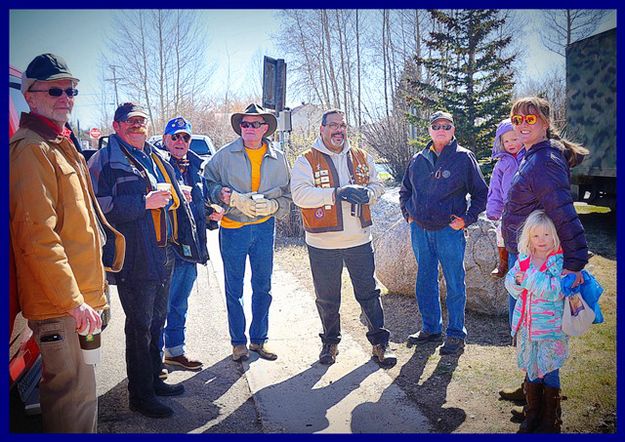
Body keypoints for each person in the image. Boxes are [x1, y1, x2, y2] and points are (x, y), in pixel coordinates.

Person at [9, 53, 124, 432]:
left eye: (71, 90)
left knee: (80, 398)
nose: (66, 97)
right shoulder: (31, 149)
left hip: (76, 301)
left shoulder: (59, 142)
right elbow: (37, 237)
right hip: (62, 306)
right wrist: (73, 302)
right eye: (55, 89)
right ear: (29, 96)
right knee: (71, 405)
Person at [88, 103, 203, 418]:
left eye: (142, 121)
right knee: (139, 327)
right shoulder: (104, 161)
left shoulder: (153, 155)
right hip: (134, 256)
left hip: (163, 251)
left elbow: (166, 193)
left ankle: (154, 380)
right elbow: (98, 208)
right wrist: (143, 202)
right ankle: (140, 395)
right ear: (117, 125)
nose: (137, 126)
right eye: (131, 121)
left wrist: (181, 193)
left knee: (156, 320)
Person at [501, 95, 589, 415]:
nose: (522, 125)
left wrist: (575, 262)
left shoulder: (544, 161)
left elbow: (563, 213)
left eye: (530, 119)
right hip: (526, 257)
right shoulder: (533, 155)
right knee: (528, 326)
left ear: (545, 123)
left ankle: (545, 414)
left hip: (540, 261)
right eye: (517, 120)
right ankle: (530, 389)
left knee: (545, 331)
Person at [291, 109, 397, 367]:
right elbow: (299, 195)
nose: (339, 130)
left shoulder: (361, 156)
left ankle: (379, 344)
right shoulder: (306, 160)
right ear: (322, 129)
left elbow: (378, 184)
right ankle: (330, 343)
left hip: (359, 240)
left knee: (369, 293)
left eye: (343, 126)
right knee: (327, 297)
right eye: (333, 126)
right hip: (322, 243)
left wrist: (369, 194)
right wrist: (336, 193)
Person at [204, 103, 291, 362]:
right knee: (234, 289)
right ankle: (238, 343)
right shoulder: (224, 155)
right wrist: (222, 194)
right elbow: (208, 182)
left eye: (255, 124)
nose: (249, 129)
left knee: (263, 286)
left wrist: (275, 206)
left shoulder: (279, 159)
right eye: (244, 124)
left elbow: (288, 196)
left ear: (265, 128)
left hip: (264, 228)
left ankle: (259, 340)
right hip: (233, 229)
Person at [399, 110, 488, 356]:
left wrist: (467, 220)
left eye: (446, 126)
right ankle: (430, 328)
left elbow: (482, 194)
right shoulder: (418, 159)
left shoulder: (463, 158)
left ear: (453, 130)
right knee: (425, 280)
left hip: (449, 231)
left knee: (454, 281)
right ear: (429, 130)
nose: (441, 129)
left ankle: (456, 334)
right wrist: (408, 214)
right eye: (436, 125)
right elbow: (405, 190)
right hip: (420, 230)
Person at [158, 116, 222, 374]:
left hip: (190, 248)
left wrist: (211, 214)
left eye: (185, 137)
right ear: (165, 140)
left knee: (179, 303)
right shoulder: (157, 166)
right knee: (160, 305)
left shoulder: (197, 167)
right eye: (175, 137)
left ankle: (174, 352)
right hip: (167, 247)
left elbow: (199, 205)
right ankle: (154, 358)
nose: (180, 141)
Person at [504, 210, 568, 433]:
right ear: (528, 238)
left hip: (551, 329)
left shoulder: (558, 262)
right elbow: (511, 284)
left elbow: (556, 291)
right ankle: (532, 414)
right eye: (536, 236)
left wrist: (529, 279)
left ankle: (550, 419)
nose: (542, 241)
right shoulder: (524, 260)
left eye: (547, 235)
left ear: (555, 236)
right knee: (532, 367)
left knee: (550, 369)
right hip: (528, 327)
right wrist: (517, 282)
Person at [486, 119, 524, 278]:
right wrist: (494, 210)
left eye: (514, 139)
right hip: (508, 209)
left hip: (528, 206)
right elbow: (494, 189)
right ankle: (503, 263)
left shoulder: (528, 156)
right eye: (506, 141)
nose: (510, 143)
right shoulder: (501, 164)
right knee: (501, 233)